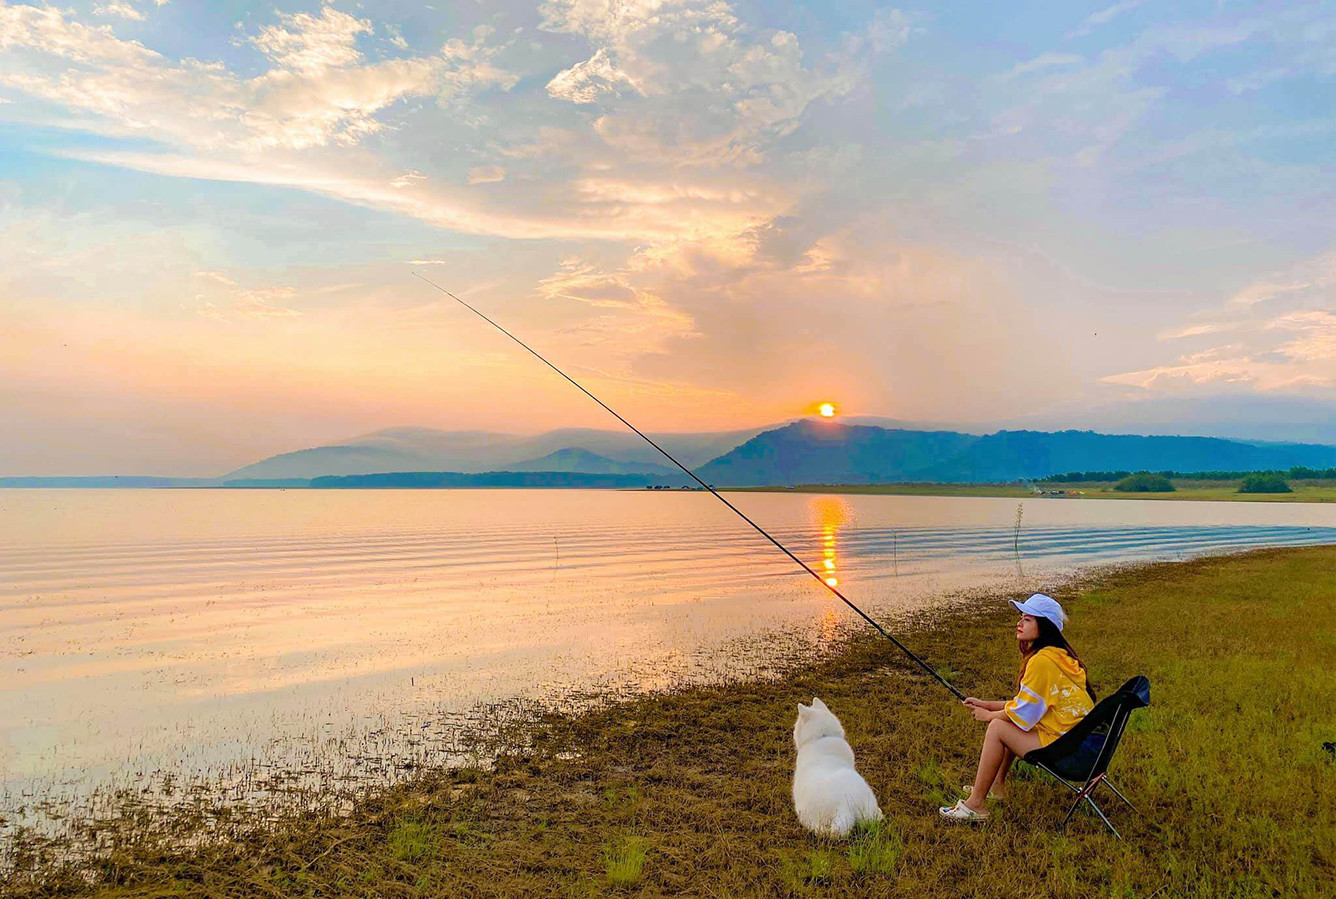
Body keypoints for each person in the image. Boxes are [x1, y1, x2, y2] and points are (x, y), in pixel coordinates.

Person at [938, 593, 1095, 822]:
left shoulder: (1042, 661)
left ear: (1045, 627)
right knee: (1005, 722)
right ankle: (996, 788)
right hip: (1075, 740)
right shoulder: (1059, 656)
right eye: (1021, 617)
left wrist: (989, 714)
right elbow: (1026, 704)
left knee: (997, 727)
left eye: (1028, 619)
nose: (1019, 623)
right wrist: (986, 703)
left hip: (1065, 748)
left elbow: (1022, 713)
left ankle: (975, 805)